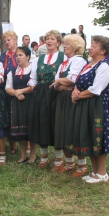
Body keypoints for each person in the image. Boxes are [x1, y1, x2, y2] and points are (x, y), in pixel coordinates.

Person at [65, 36, 109, 183]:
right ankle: (94, 172)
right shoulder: (89, 64)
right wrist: (75, 90)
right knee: (89, 136)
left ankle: (102, 173)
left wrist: (78, 96)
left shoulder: (104, 66)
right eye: (91, 45)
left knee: (98, 138)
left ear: (103, 51)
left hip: (98, 105)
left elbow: (96, 89)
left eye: (94, 46)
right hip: (86, 104)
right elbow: (79, 81)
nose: (90, 48)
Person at [51, 34, 87, 175]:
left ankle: (82, 165)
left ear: (76, 47)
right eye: (64, 44)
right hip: (62, 97)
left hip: (72, 99)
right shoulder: (64, 62)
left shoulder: (78, 61)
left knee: (74, 129)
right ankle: (69, 162)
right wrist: (60, 84)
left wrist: (61, 83)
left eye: (67, 44)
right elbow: (55, 83)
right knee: (63, 129)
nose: (63, 46)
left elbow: (73, 79)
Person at [28, 30, 64, 168]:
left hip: (56, 93)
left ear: (58, 42)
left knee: (56, 124)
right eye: (47, 39)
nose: (49, 41)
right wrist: (33, 87)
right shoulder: (38, 59)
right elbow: (33, 78)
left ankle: (59, 160)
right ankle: (44, 158)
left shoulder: (63, 57)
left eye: (52, 39)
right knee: (41, 123)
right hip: (41, 94)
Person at [5, 47, 37, 163]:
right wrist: (16, 94)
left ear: (28, 56)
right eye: (17, 55)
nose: (18, 57)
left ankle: (33, 155)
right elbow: (8, 88)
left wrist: (20, 91)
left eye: (21, 55)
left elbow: (35, 87)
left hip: (31, 101)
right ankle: (23, 155)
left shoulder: (33, 69)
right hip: (17, 101)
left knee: (32, 128)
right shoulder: (12, 72)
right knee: (20, 130)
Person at [0, 31, 20, 155]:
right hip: (5, 89)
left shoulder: (21, 53)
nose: (6, 42)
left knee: (21, 116)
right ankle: (13, 145)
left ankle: (26, 144)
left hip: (19, 88)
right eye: (5, 40)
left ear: (15, 40)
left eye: (9, 40)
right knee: (8, 117)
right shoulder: (2, 57)